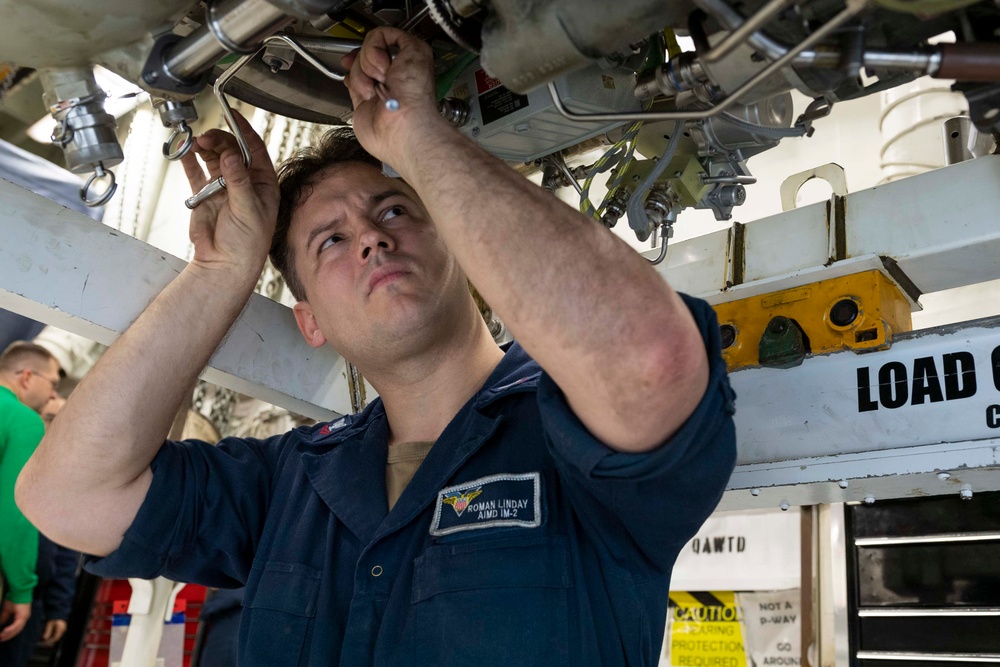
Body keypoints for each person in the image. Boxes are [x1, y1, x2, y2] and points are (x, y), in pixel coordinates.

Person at [17, 27, 737, 666]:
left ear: (460, 242)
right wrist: (220, 273)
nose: (369, 235)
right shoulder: (287, 484)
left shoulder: (569, 437)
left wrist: (417, 136)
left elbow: (650, 361)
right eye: (330, 240)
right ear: (311, 322)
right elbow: (67, 494)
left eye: (393, 208)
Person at [0, 395, 78, 666]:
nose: (55, 428)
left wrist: (59, 608)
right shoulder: (9, 456)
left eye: (64, 423)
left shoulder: (64, 482)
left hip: (32, 601)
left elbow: (66, 551)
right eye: (50, 419)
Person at [0, 342, 60, 646]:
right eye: (52, 383)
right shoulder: (23, 420)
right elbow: (13, 512)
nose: (52, 394)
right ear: (26, 377)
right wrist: (21, 591)